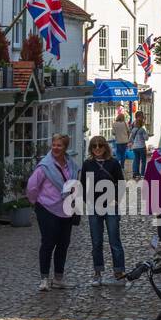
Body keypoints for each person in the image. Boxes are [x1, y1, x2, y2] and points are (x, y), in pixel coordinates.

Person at [26, 133, 79, 292]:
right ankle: (44, 279)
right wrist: (36, 202)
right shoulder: (45, 166)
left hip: (66, 209)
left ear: (65, 147)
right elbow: (32, 186)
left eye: (59, 145)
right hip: (47, 208)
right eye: (54, 145)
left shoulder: (71, 165)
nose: (56, 148)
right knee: (48, 243)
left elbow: (75, 184)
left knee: (63, 244)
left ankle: (58, 278)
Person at [79, 136, 125, 285]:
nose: (97, 148)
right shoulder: (87, 164)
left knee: (114, 240)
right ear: (91, 148)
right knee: (96, 241)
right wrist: (88, 200)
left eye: (100, 146)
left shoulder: (113, 163)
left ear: (105, 147)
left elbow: (121, 183)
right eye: (94, 146)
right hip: (94, 206)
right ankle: (97, 272)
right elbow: (83, 185)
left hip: (111, 206)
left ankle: (119, 272)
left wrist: (117, 199)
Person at [129, 110, 148, 179]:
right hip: (141, 146)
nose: (143, 118)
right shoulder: (142, 128)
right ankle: (142, 174)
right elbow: (146, 138)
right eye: (142, 116)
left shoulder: (133, 125)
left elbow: (130, 137)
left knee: (136, 159)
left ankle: (135, 173)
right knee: (143, 161)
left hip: (135, 146)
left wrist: (132, 142)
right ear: (139, 117)